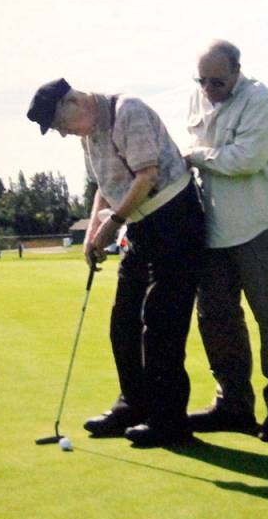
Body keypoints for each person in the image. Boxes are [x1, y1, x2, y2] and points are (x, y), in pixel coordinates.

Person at [26, 78, 204, 447]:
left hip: (174, 220)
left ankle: (169, 421)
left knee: (160, 323)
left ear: (74, 102)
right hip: (141, 225)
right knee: (122, 319)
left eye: (59, 125)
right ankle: (134, 405)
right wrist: (94, 232)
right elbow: (104, 187)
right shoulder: (89, 133)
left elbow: (147, 176)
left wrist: (115, 223)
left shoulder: (128, 112)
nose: (62, 135)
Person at [182, 40, 268, 443]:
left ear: (237, 71)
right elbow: (211, 153)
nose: (210, 89)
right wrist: (204, 153)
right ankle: (232, 404)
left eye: (218, 81)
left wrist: (196, 155)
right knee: (216, 320)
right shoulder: (197, 99)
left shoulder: (259, 100)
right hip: (211, 232)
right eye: (203, 81)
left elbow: (246, 160)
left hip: (257, 228)